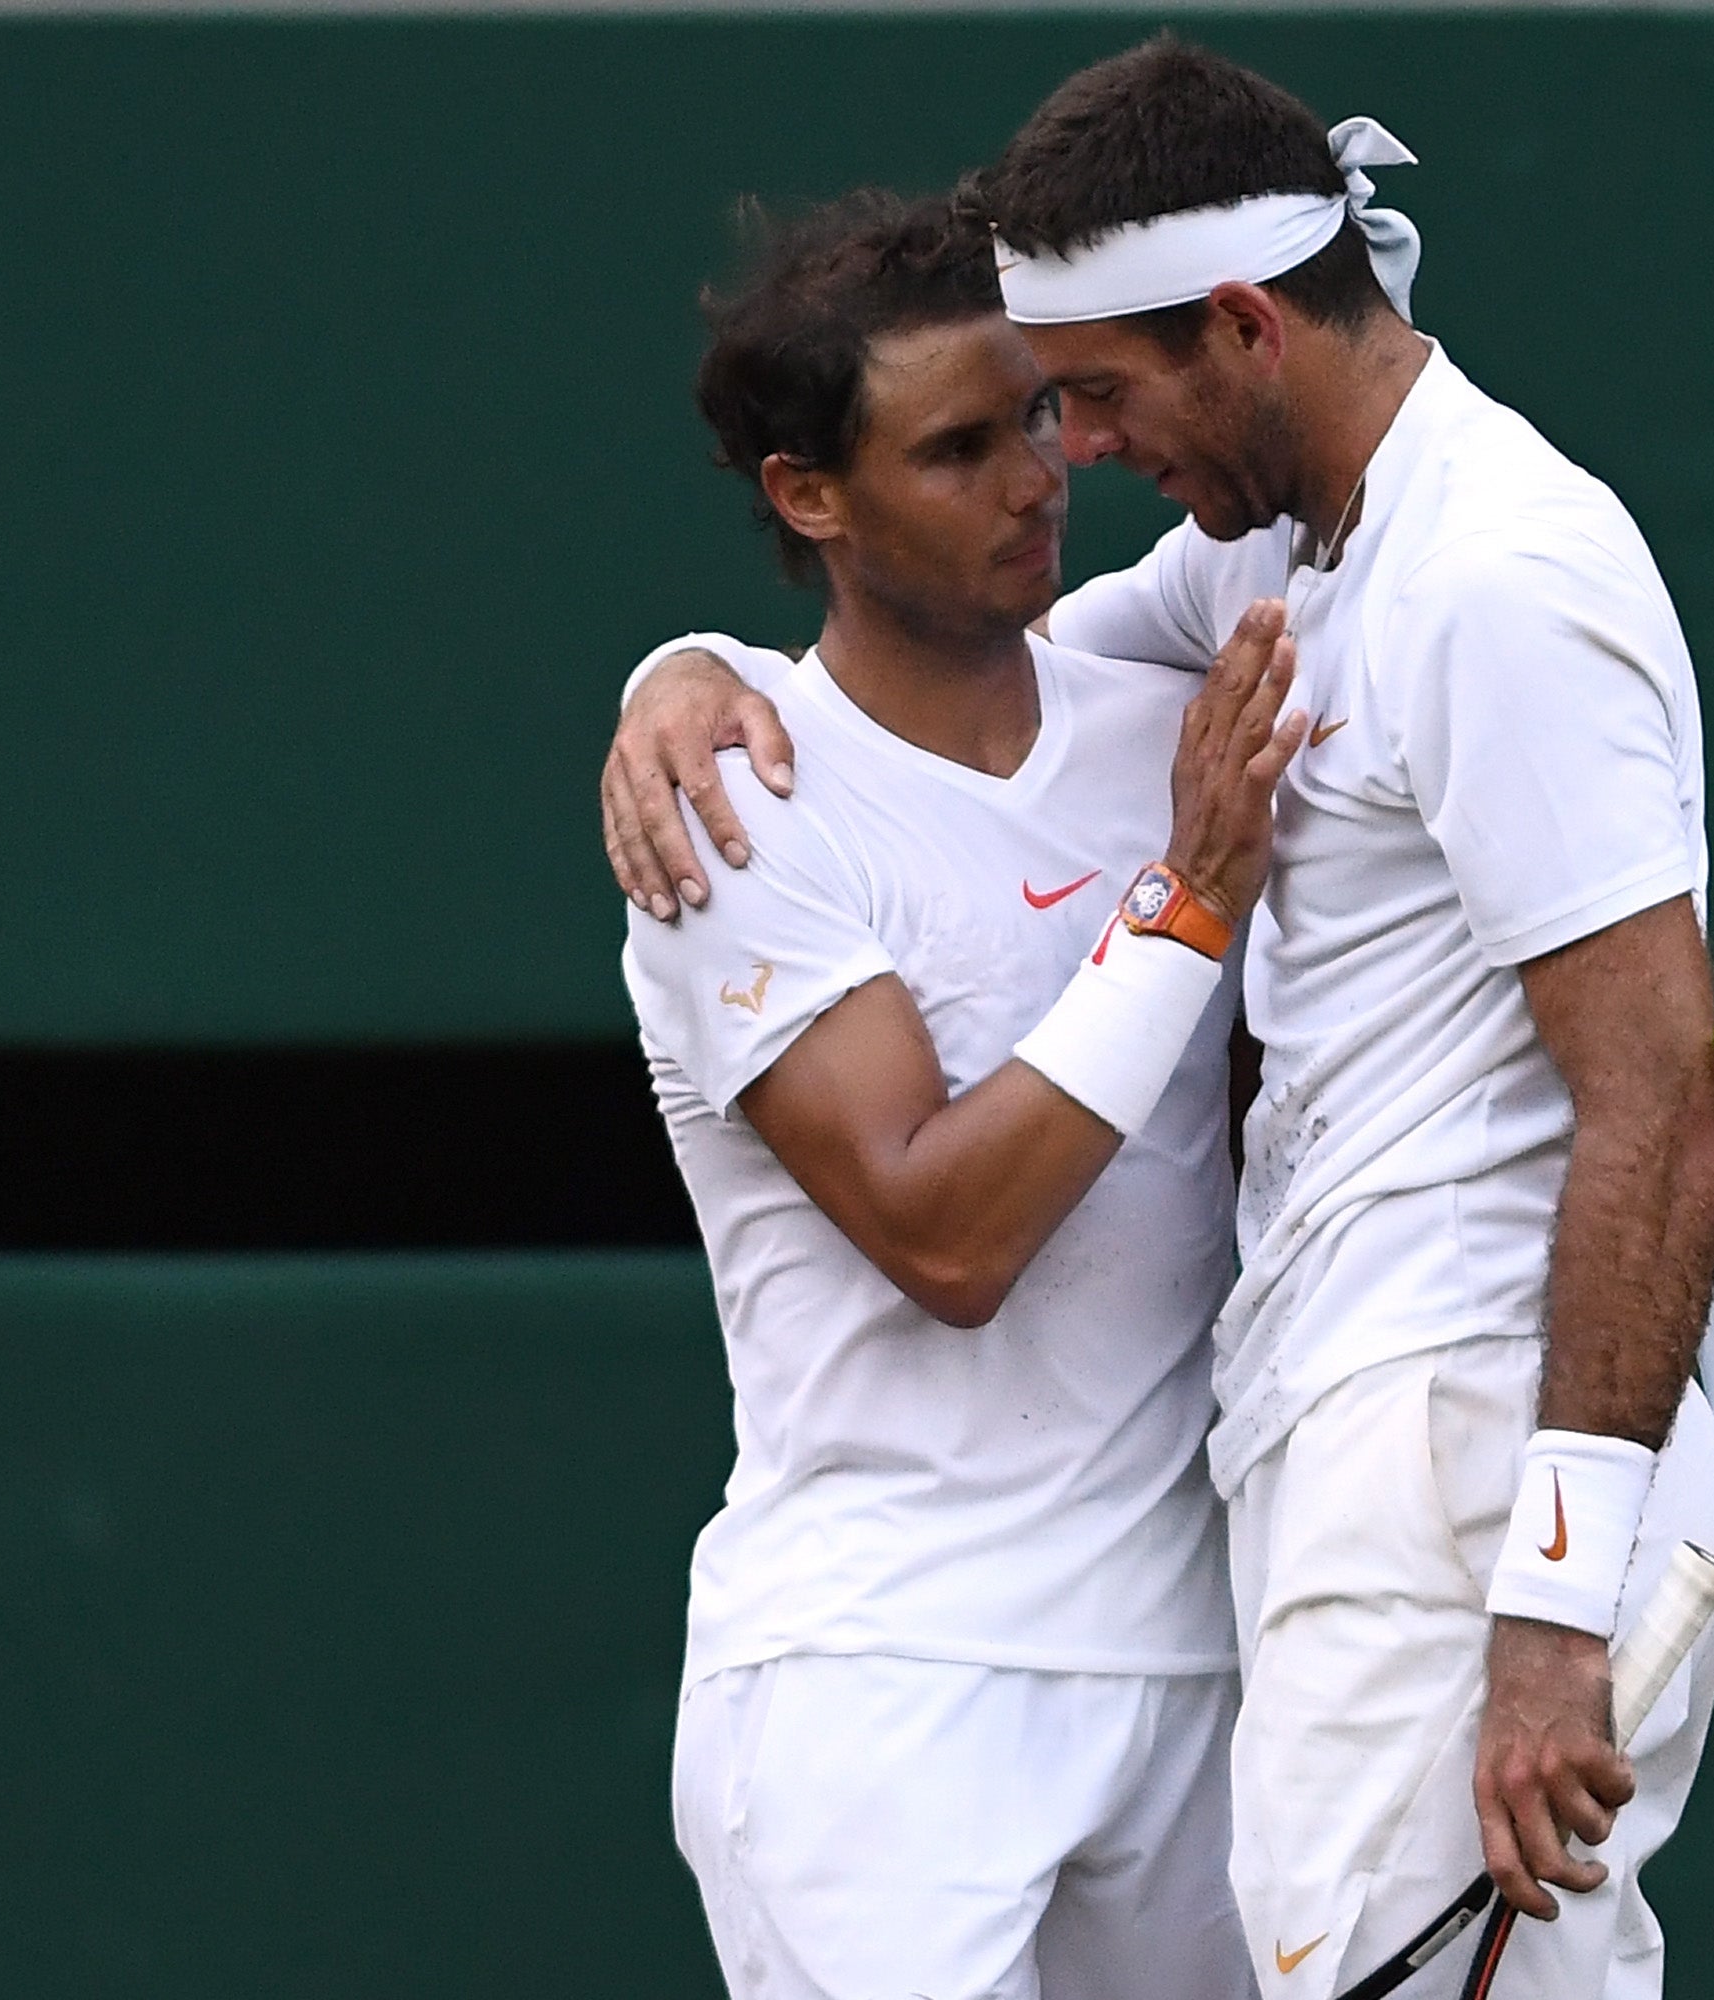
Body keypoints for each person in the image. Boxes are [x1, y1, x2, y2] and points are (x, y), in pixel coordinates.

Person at [606, 41, 1714, 2000]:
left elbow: (1646, 1109)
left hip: (1408, 1503)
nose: (1063, 464)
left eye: (1081, 398)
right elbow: (945, 758)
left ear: (1248, 329)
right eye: (1002, 427)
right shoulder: (1255, 587)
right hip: (1144, 1568)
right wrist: (677, 673)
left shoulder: (1465, 581)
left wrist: (1549, 1593)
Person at [627, 187, 1311, 2000]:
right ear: (807, 496)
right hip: (881, 1695)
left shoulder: (1151, 695)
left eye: (1033, 416)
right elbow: (945, 1233)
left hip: (1196, 1674)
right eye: (955, 447)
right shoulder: (737, 812)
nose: (1035, 476)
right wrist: (1182, 910)